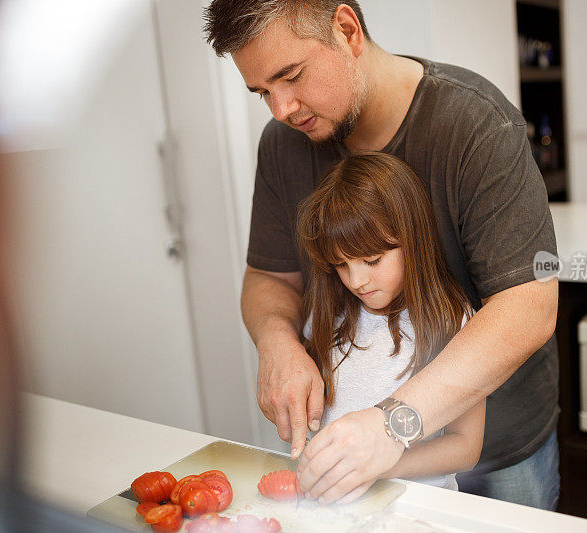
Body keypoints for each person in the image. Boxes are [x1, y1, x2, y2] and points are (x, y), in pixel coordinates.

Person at [204, 0, 560, 509]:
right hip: (360, 463)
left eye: (292, 77)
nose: (281, 109)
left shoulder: (477, 124)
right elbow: (269, 277)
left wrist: (391, 427)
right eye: (263, 92)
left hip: (499, 451)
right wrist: (277, 343)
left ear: (346, 30)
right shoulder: (282, 146)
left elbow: (530, 307)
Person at [296, 152, 485, 498]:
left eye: (372, 260)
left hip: (420, 505)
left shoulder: (451, 321)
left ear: (413, 239)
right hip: (339, 504)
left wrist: (378, 464)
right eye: (340, 264)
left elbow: (465, 447)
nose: (357, 280)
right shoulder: (328, 317)